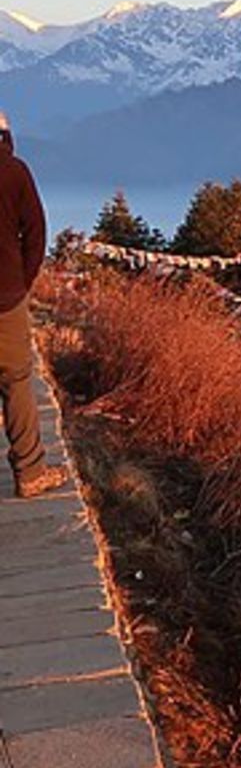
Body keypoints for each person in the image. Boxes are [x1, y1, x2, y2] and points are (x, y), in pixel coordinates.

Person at [0, 112, 65, 498]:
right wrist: (21, 283)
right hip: (5, 295)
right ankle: (30, 471)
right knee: (16, 379)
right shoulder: (14, 172)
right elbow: (36, 233)